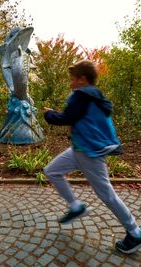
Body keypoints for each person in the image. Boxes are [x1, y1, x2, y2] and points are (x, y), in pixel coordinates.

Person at [43, 60, 141, 254]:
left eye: (73, 79)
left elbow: (66, 118)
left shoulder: (82, 95)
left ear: (82, 80)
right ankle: (76, 206)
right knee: (52, 171)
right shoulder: (94, 96)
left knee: (106, 194)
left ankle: (135, 232)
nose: (70, 82)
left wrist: (49, 114)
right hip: (79, 149)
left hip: (90, 153)